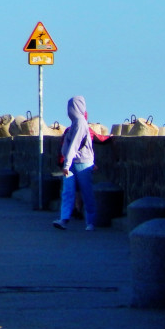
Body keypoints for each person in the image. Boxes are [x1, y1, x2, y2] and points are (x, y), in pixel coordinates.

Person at [53, 95, 97, 231]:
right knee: (68, 191)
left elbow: (74, 145)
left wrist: (65, 165)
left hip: (82, 162)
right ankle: (64, 219)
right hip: (72, 163)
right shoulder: (75, 123)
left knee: (86, 192)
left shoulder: (80, 123)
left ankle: (90, 221)